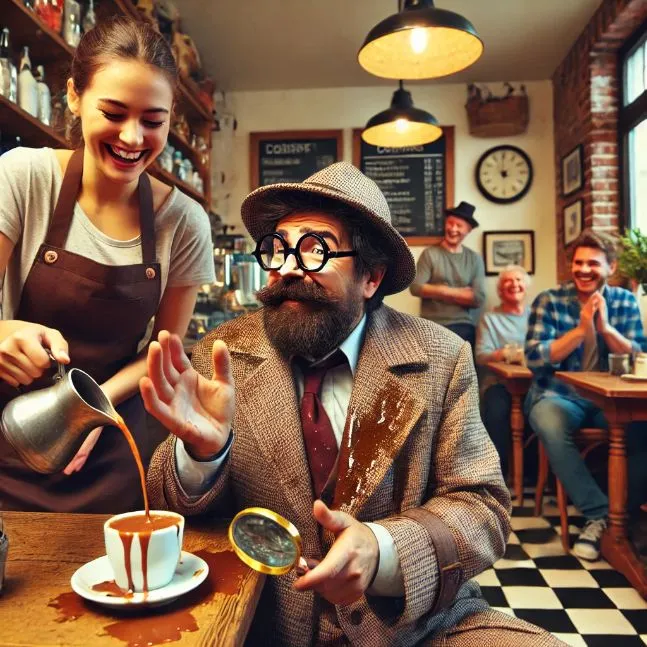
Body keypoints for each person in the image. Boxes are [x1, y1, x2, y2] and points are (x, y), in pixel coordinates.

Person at [143, 163, 565, 646]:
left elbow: (482, 506)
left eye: (315, 249)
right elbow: (165, 507)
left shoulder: (441, 357)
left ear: (371, 277)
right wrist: (202, 455)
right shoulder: (224, 354)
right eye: (277, 249)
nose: (286, 268)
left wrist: (383, 550)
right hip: (262, 622)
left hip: (414, 626)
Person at [0, 17, 215, 512]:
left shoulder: (183, 222)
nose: (132, 137)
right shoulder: (25, 179)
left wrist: (91, 409)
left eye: (153, 120)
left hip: (110, 443)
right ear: (75, 96)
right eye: (114, 113)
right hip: (10, 438)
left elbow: (166, 349)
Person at [525, 229, 647, 560]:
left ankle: (614, 515)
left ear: (611, 266)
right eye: (578, 263)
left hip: (610, 400)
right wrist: (580, 330)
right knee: (548, 421)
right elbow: (534, 357)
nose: (583, 269)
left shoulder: (623, 301)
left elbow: (639, 357)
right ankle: (602, 515)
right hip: (558, 395)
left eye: (593, 263)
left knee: (641, 434)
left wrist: (606, 329)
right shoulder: (549, 300)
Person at [475, 265, 531, 475]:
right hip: (498, 384)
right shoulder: (490, 319)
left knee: (537, 414)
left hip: (532, 384)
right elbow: (481, 355)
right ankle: (499, 477)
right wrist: (508, 354)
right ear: (499, 291)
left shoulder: (536, 316)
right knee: (497, 412)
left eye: (518, 280)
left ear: (526, 287)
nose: (514, 285)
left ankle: (530, 476)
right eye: (508, 281)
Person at [409, 201, 485, 346]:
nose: (453, 229)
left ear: (468, 230)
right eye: (450, 223)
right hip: (431, 325)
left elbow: (478, 298)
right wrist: (459, 292)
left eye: (459, 226)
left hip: (463, 326)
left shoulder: (475, 259)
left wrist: (433, 289)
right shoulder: (430, 254)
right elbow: (416, 287)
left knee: (464, 368)